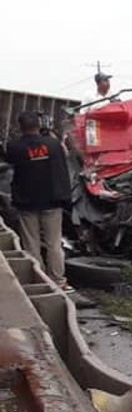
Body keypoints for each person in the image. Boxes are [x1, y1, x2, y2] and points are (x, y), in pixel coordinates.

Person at [5, 111, 73, 291]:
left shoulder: (14, 147)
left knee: (31, 243)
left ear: (20, 127)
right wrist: (49, 132)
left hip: (27, 202)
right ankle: (58, 280)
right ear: (39, 124)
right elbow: (65, 153)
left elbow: (9, 163)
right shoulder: (54, 144)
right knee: (54, 243)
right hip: (52, 200)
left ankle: (38, 278)